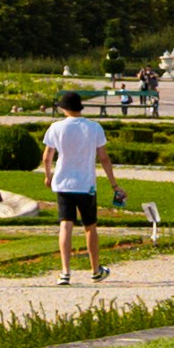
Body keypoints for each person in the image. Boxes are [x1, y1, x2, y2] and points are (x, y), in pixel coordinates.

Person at [43, 91, 112, 284]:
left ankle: (65, 272)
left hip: (63, 182)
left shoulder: (56, 127)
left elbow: (47, 156)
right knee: (90, 226)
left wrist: (48, 175)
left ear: (64, 108)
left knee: (66, 224)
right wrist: (113, 183)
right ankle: (95, 269)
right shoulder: (94, 127)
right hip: (86, 183)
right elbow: (104, 158)